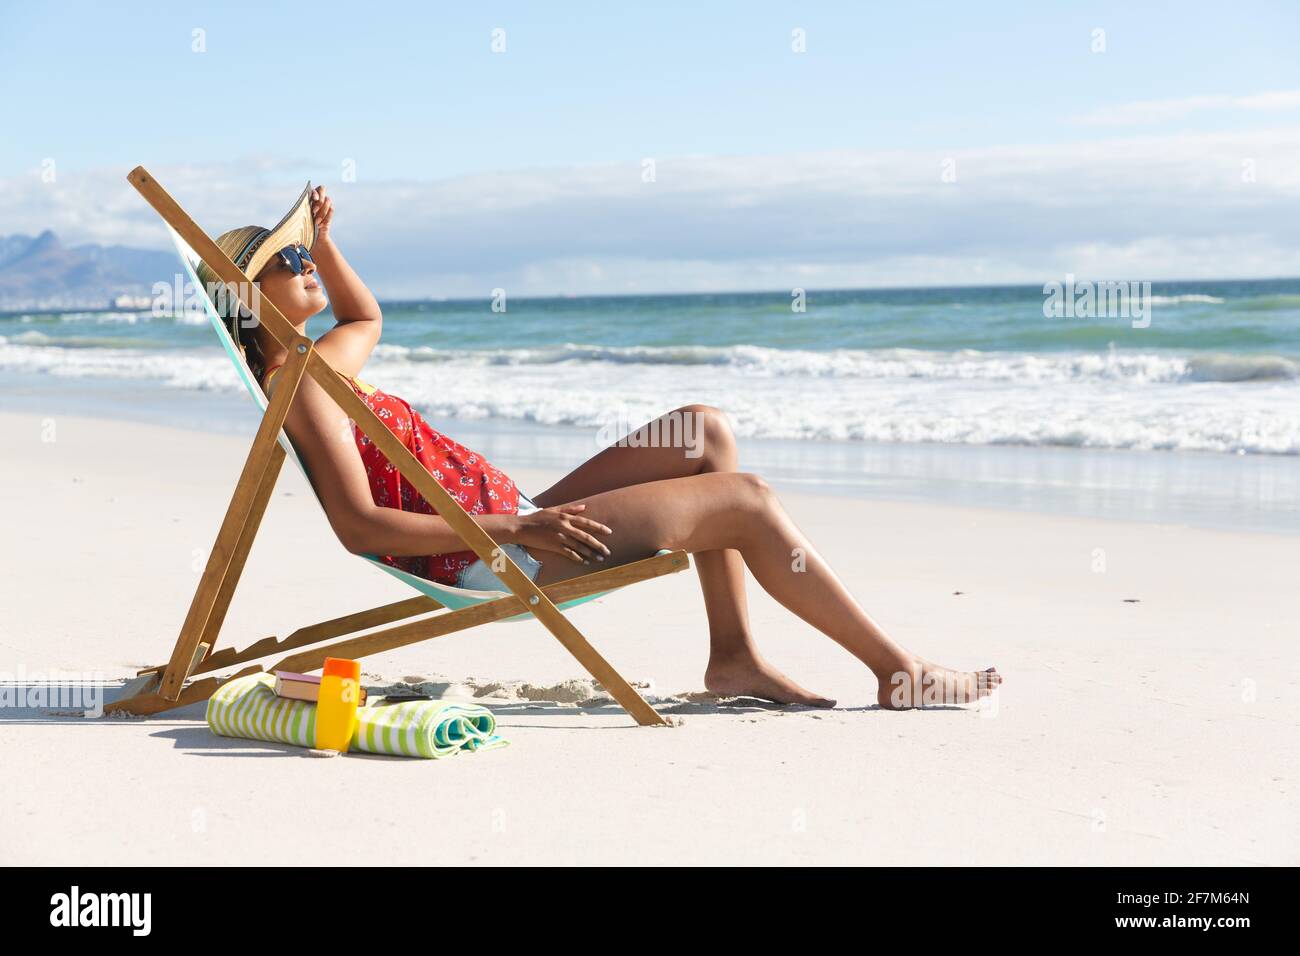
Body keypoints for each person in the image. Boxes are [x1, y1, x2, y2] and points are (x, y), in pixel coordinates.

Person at [196, 183, 1001, 710]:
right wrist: (513, 532)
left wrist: (329, 244)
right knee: (746, 501)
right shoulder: (298, 389)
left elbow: (367, 319)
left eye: (303, 253)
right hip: (497, 554)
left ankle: (735, 659)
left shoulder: (316, 362)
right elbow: (361, 528)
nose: (306, 264)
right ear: (248, 299)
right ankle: (897, 673)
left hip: (514, 521)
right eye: (287, 260)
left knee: (704, 429)